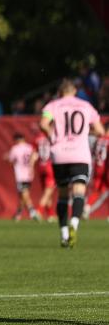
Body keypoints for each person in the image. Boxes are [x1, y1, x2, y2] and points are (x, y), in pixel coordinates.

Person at [40, 79, 106, 248]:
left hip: (60, 154)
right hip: (80, 154)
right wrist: (85, 131)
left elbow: (43, 124)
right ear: (74, 91)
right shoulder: (86, 106)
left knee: (62, 195)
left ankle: (63, 235)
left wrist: (52, 136)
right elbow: (100, 131)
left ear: (60, 92)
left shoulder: (52, 105)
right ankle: (74, 224)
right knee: (79, 192)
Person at [5, 133, 40, 221]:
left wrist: (6, 158)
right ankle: (18, 213)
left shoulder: (15, 149)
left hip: (21, 174)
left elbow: (10, 160)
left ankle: (32, 211)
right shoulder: (30, 147)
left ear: (17, 140)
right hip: (29, 173)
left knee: (24, 193)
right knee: (22, 194)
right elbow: (35, 156)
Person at [85, 133, 109, 218]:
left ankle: (87, 208)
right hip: (106, 168)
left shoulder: (99, 139)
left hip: (98, 168)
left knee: (97, 190)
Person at [34, 131, 57, 221]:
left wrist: (31, 167)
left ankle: (51, 214)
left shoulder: (38, 137)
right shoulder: (53, 135)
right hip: (50, 166)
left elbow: (34, 153)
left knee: (47, 192)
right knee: (48, 192)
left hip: (41, 166)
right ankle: (39, 210)